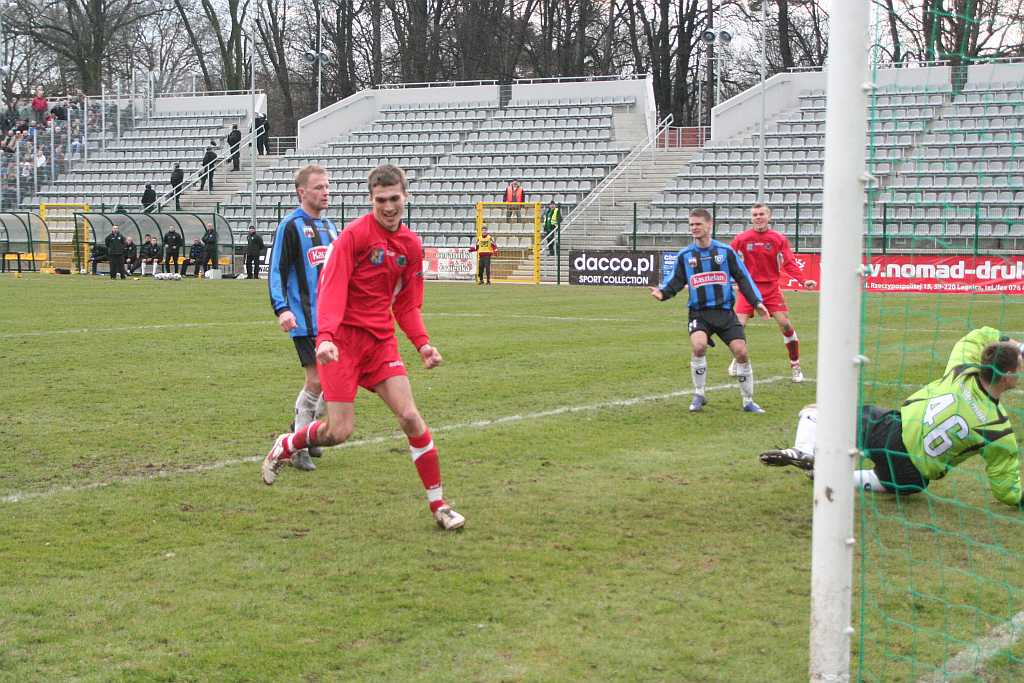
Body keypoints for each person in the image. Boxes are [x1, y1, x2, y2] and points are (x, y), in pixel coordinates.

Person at [261, 163, 465, 532]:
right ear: (371, 200)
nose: (388, 207)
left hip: (381, 344)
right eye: (381, 200)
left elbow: (406, 304)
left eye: (394, 199)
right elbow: (332, 288)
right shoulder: (353, 236)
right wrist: (324, 337)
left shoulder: (411, 245)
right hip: (342, 344)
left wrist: (422, 344)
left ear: (406, 197)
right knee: (339, 431)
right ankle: (288, 442)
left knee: (410, 418)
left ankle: (440, 505)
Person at [760, 328, 1024, 508]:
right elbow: (1007, 491)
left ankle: (803, 450)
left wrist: (1013, 343)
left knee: (816, 410)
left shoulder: (962, 371)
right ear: (1008, 377)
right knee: (898, 484)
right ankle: (829, 476)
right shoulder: (1000, 430)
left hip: (889, 432)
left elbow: (976, 336)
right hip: (913, 476)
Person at [650, 207, 769, 414]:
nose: (694, 228)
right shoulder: (686, 255)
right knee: (698, 346)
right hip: (699, 313)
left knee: (741, 352)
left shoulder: (725, 252)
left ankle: (748, 401)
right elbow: (675, 280)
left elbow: (743, 277)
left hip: (724, 312)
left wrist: (756, 302)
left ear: (709, 225)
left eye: (698, 224)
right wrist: (664, 293)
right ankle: (699, 394)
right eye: (691, 225)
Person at [266, 164, 339, 472]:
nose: (326, 192)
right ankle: (297, 447)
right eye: (319, 187)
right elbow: (277, 270)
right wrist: (282, 308)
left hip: (332, 319)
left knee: (334, 380)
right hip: (306, 318)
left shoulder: (330, 227)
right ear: (302, 192)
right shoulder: (291, 225)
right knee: (317, 379)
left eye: (327, 186)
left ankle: (303, 432)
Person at [729, 203, 817, 383]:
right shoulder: (742, 238)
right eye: (755, 215)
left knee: (784, 324)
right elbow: (728, 258)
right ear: (751, 218)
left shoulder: (778, 238)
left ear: (769, 216)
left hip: (771, 289)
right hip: (748, 289)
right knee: (738, 326)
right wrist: (732, 280)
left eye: (761, 214)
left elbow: (789, 262)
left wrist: (803, 280)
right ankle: (738, 360)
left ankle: (795, 364)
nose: (758, 217)